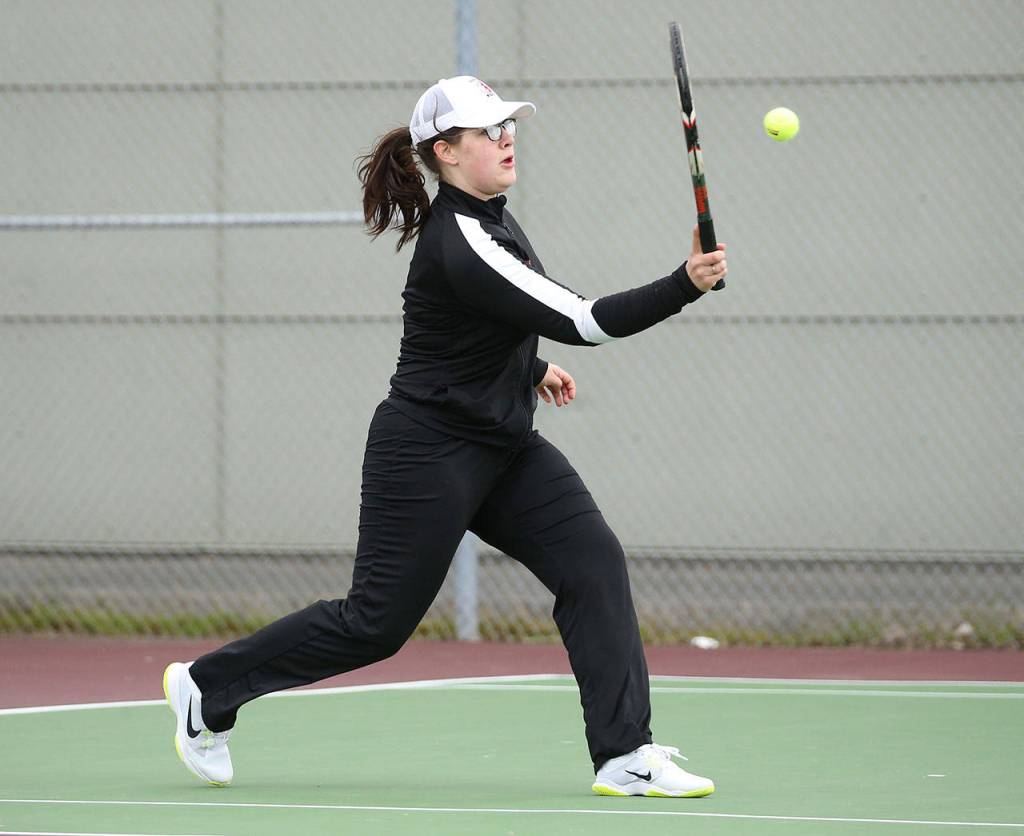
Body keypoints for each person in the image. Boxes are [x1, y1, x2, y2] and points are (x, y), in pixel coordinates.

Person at [162, 75, 727, 798]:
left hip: (503, 445)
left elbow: (485, 327)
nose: (507, 137)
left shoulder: (494, 217)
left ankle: (624, 754)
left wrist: (528, 369)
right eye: (489, 130)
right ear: (447, 152)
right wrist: (685, 282)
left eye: (509, 125)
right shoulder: (462, 238)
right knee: (375, 625)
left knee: (592, 561)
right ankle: (207, 691)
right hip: (427, 450)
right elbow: (586, 320)